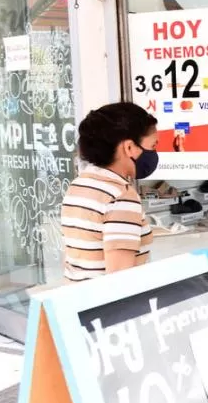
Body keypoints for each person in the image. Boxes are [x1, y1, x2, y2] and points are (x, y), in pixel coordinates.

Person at [61, 102, 158, 281]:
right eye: (153, 146)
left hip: (79, 300)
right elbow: (120, 279)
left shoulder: (80, 184)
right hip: (108, 306)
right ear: (129, 147)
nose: (154, 153)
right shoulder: (120, 197)